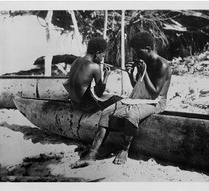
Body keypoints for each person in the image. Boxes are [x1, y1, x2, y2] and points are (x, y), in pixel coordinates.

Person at [71, 32, 172, 168]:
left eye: (139, 52)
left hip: (156, 102)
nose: (137, 55)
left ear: (148, 49)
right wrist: (131, 75)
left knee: (131, 115)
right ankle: (92, 153)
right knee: (106, 111)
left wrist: (143, 72)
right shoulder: (145, 62)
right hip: (139, 99)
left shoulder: (162, 65)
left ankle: (124, 149)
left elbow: (154, 94)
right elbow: (139, 85)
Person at [68, 37, 122, 113]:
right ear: (97, 53)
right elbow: (99, 93)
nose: (102, 60)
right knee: (118, 100)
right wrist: (106, 76)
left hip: (74, 103)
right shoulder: (94, 66)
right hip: (85, 107)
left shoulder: (76, 61)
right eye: (102, 56)